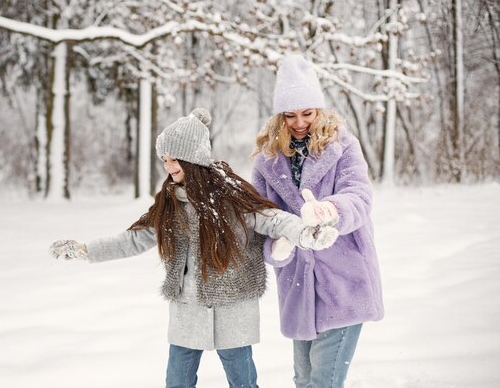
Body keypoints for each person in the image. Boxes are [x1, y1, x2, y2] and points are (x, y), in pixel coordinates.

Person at [50, 108, 339, 388]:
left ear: (192, 158)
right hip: (188, 310)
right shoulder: (170, 203)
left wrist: (305, 233)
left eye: (173, 158)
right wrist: (87, 250)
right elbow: (134, 239)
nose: (168, 166)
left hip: (233, 306)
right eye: (164, 159)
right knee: (177, 382)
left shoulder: (231, 197)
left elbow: (273, 220)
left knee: (243, 382)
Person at [251, 55, 385, 388]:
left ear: (319, 110)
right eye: (290, 115)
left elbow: (359, 196)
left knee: (324, 381)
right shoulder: (268, 160)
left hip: (344, 281)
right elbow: (259, 213)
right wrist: (277, 242)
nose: (299, 122)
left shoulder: (343, 147)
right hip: (298, 284)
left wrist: (329, 210)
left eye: (307, 113)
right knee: (305, 379)